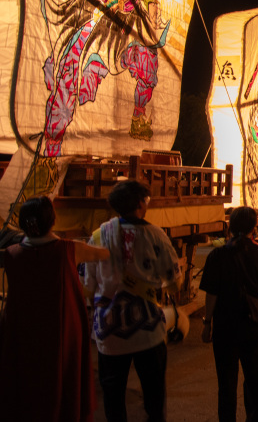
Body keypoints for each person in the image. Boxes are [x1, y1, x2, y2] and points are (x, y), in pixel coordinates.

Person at [0, 196, 109, 421]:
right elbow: (103, 254)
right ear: (53, 220)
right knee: (62, 386)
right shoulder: (68, 250)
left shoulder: (11, 254)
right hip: (62, 333)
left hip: (23, 333)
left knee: (26, 385)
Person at [84, 180, 182, 422]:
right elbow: (174, 282)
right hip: (147, 329)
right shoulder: (156, 235)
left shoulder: (98, 236)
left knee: (113, 394)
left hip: (109, 329)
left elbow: (87, 286)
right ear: (141, 203)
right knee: (153, 392)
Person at [200, 206, 258, 422]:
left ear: (230, 227)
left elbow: (211, 294)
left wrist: (207, 323)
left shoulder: (217, 255)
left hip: (225, 325)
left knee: (226, 382)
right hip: (252, 325)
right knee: (254, 380)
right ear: (254, 228)